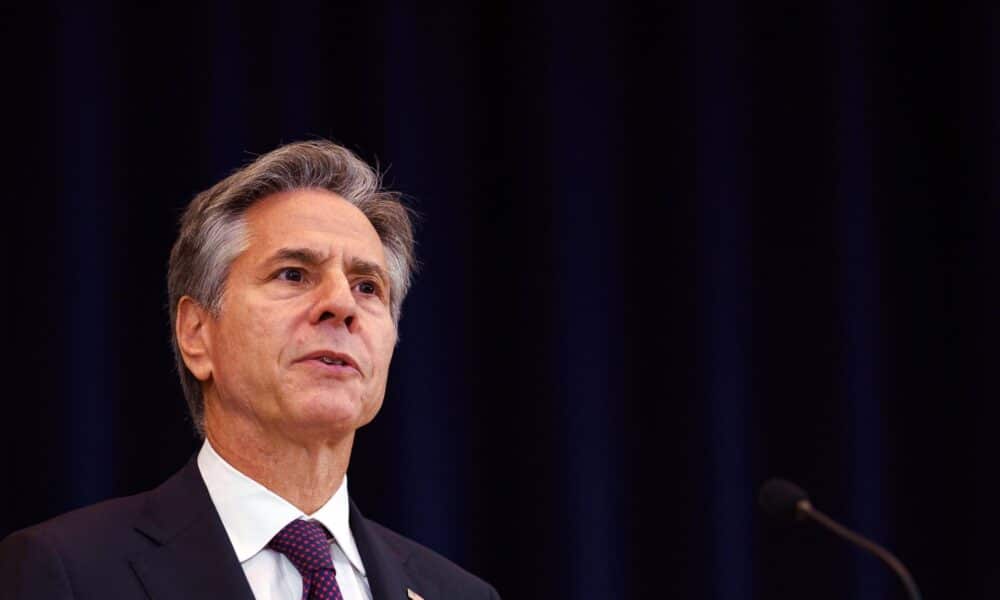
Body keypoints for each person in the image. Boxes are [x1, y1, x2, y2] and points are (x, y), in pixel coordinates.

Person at [0, 140, 501, 600]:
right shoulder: (66, 572)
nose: (342, 305)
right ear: (197, 333)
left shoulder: (458, 594)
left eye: (367, 286)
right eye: (294, 274)